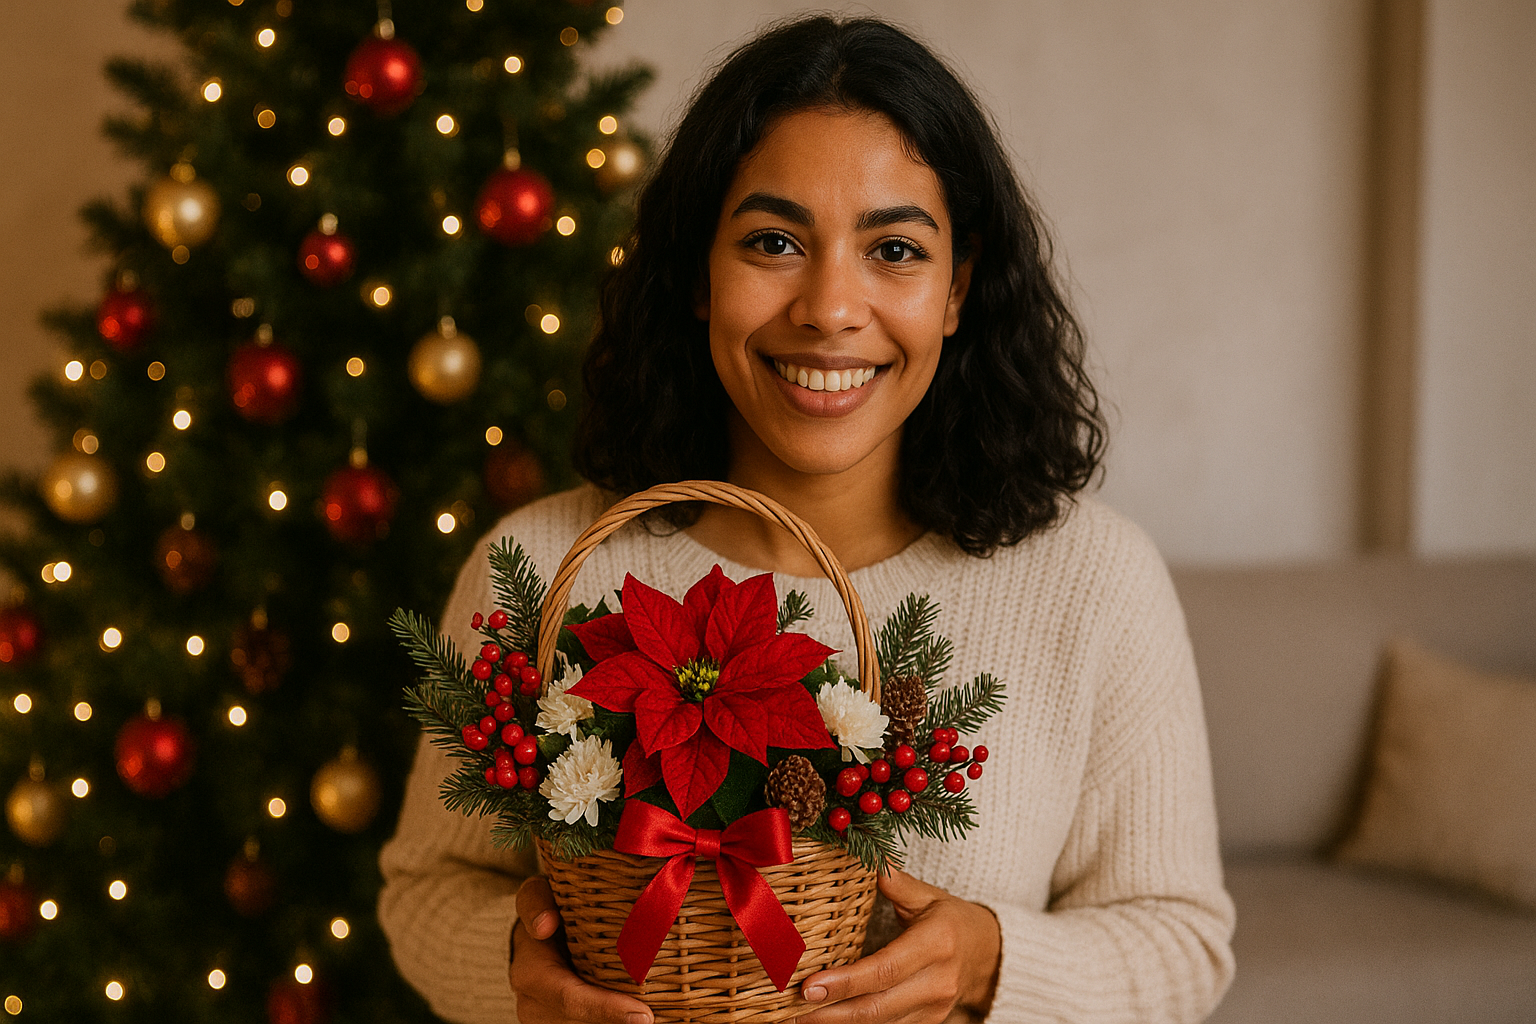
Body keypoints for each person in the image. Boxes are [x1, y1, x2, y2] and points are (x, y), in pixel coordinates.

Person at [379, 15, 1235, 1024]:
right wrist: (518, 978)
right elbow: (425, 890)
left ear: (957, 289)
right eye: (774, 242)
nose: (831, 307)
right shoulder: (538, 566)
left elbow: (1183, 941)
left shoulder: (1096, 581)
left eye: (895, 250)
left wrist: (991, 960)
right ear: (699, 276)